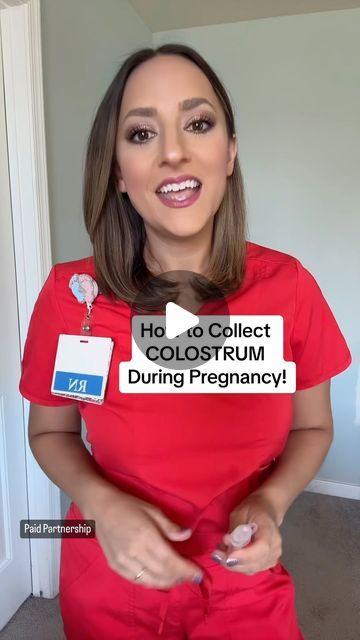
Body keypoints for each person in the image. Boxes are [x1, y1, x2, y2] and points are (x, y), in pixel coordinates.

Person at [19, 43, 352, 639]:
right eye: (142, 134)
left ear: (229, 155)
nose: (173, 152)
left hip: (244, 581)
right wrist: (101, 505)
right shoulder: (72, 297)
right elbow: (49, 432)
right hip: (110, 582)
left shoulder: (290, 288)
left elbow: (312, 426)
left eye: (198, 124)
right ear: (119, 172)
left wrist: (272, 503)